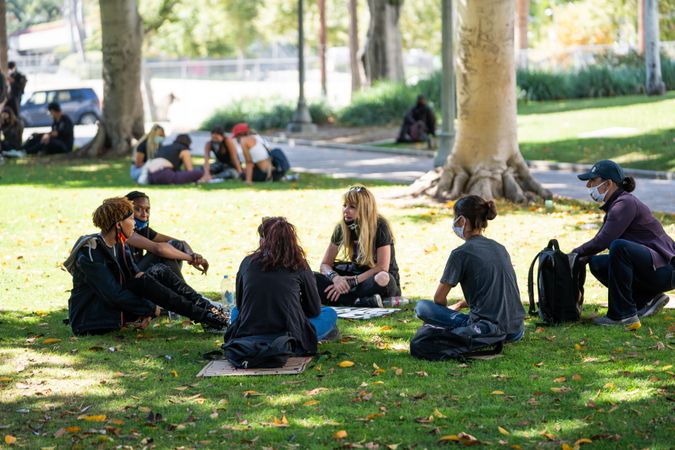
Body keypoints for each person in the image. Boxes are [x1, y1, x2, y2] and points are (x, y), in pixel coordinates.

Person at [64, 197, 228, 336]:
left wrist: (148, 307)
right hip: (93, 320)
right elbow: (113, 294)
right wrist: (149, 308)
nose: (134, 223)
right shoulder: (91, 253)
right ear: (118, 224)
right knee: (149, 282)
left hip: (115, 308)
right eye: (130, 219)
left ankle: (212, 312)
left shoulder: (120, 244)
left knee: (159, 271)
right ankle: (210, 318)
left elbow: (137, 276)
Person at [573, 160, 674, 329]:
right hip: (654, 268)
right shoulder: (617, 205)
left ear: (609, 183)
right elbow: (600, 241)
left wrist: (575, 252)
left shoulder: (625, 204)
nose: (588, 186)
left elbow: (603, 240)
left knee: (619, 247)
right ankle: (646, 299)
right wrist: (582, 257)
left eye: (593, 181)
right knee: (597, 263)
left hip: (666, 269)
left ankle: (622, 315)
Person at [415, 195, 525, 343]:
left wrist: (444, 313)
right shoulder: (500, 248)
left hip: (487, 329)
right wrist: (461, 304)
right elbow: (496, 291)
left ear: (462, 220)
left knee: (422, 307)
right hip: (516, 331)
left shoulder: (460, 253)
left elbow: (439, 298)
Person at [225, 217, 338, 354]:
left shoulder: (247, 262)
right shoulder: (299, 264)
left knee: (235, 312)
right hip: (290, 336)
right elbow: (314, 309)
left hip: (250, 332)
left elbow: (241, 305)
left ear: (263, 240)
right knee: (329, 313)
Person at [315, 185, 401, 307]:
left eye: (352, 207)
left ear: (365, 209)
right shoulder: (342, 227)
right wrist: (336, 279)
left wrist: (353, 281)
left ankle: (345, 299)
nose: (346, 210)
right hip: (354, 277)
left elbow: (382, 267)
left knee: (382, 278)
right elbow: (325, 264)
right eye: (345, 205)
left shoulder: (380, 226)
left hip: (375, 280)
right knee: (311, 278)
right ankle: (359, 302)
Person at [125, 190, 208, 280]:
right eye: (138, 209)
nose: (144, 214)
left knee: (176, 246)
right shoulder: (125, 230)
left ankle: (182, 290)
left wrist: (193, 256)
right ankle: (186, 291)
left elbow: (181, 243)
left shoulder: (143, 229)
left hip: (139, 272)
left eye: (147, 210)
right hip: (131, 278)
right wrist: (190, 258)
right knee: (165, 253)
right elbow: (159, 249)